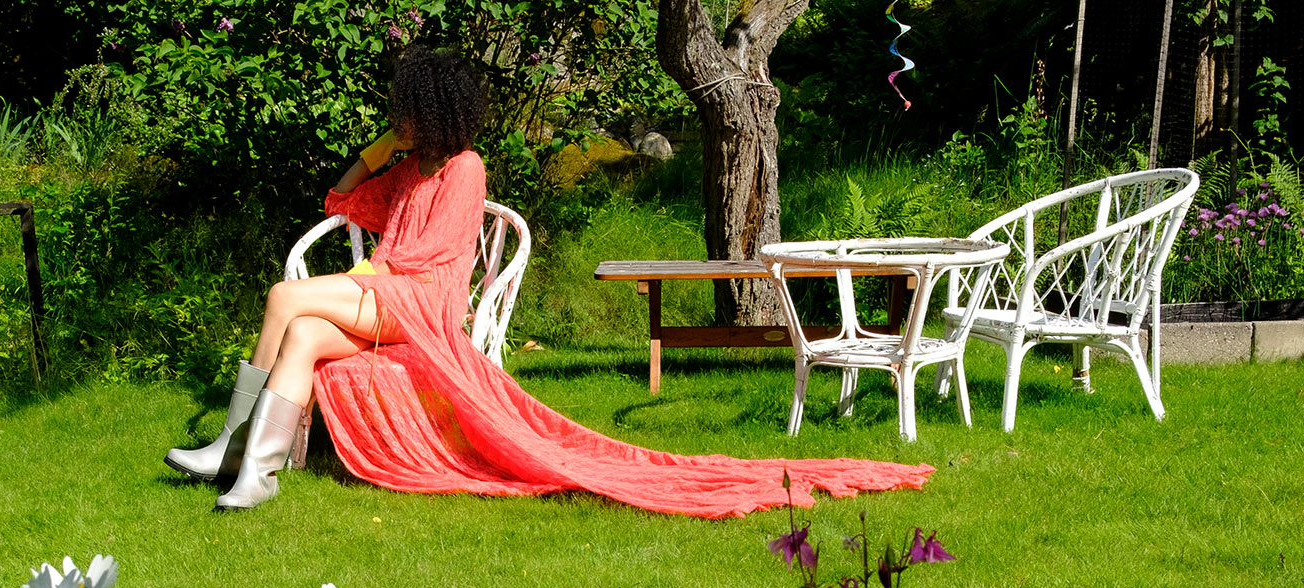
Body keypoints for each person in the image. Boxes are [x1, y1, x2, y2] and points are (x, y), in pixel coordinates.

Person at [167, 47, 933, 518]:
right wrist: (378, 151)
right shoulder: (408, 168)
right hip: (384, 295)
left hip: (420, 307)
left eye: (405, 111)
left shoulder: (465, 169)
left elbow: (428, 260)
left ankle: (229, 448)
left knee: (282, 297)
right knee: (300, 329)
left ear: (431, 111)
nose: (398, 118)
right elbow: (338, 199)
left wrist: (367, 273)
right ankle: (257, 475)